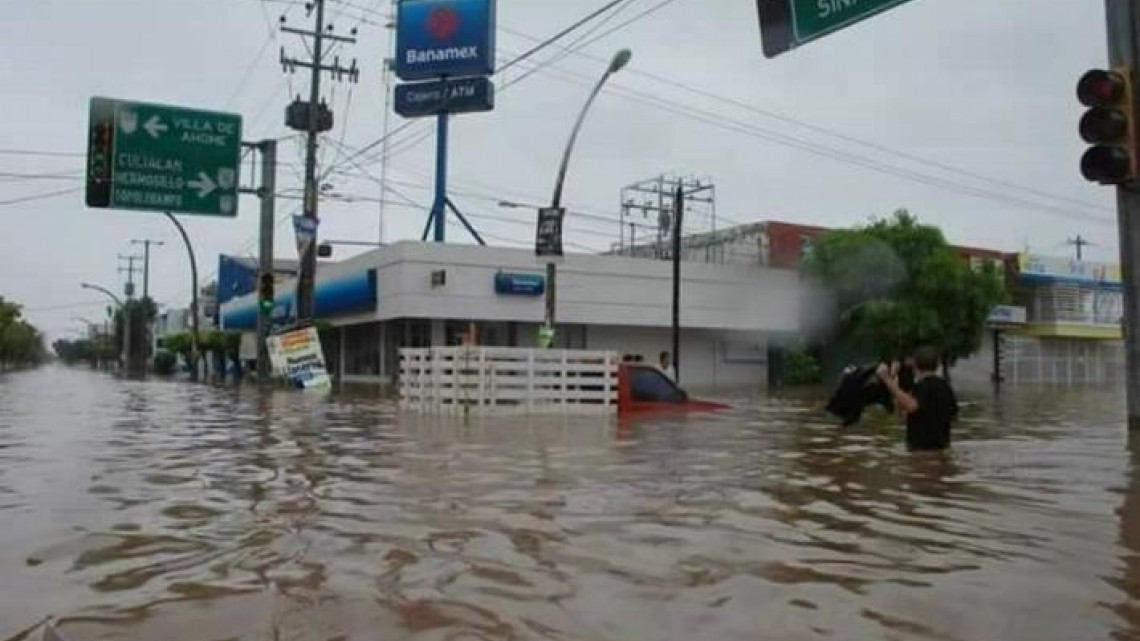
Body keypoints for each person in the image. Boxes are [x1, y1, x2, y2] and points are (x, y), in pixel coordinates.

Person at [876, 346, 959, 451]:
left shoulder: (923, 386)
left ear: (915, 364)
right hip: (942, 448)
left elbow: (911, 406)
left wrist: (886, 379)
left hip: (921, 451)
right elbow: (953, 416)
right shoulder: (946, 387)